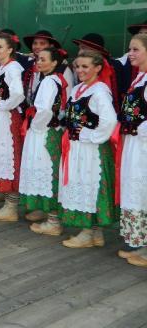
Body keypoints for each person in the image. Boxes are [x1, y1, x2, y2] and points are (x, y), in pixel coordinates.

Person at [59, 49, 117, 248]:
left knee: (90, 185)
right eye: (77, 66)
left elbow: (109, 120)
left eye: (85, 66)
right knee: (84, 184)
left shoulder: (99, 91)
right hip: (77, 148)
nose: (80, 70)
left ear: (98, 68)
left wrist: (90, 136)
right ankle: (95, 233)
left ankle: (87, 233)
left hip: (91, 150)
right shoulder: (79, 88)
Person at [18, 47, 69, 235]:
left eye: (43, 59)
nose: (39, 62)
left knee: (47, 173)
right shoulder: (57, 80)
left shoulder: (48, 81)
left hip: (44, 131)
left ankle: (53, 221)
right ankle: (49, 214)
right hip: (52, 130)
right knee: (48, 172)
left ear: (54, 63)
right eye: (38, 59)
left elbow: (45, 110)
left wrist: (35, 126)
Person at [0, 33, 26, 221]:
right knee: (1, 157)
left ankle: (11, 207)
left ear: (10, 49)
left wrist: (2, 105)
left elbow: (18, 94)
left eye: (0, 47)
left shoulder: (13, 68)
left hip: (7, 119)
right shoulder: (2, 67)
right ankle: (6, 201)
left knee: (10, 159)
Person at [117, 34, 147, 266]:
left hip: (143, 144)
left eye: (136, 49)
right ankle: (139, 241)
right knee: (136, 188)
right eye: (130, 49)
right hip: (134, 144)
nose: (130, 53)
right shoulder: (139, 78)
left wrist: (136, 128)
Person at [72, 32, 126, 109]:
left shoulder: (114, 66)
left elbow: (120, 92)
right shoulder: (78, 67)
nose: (79, 52)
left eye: (83, 48)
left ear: (95, 50)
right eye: (79, 48)